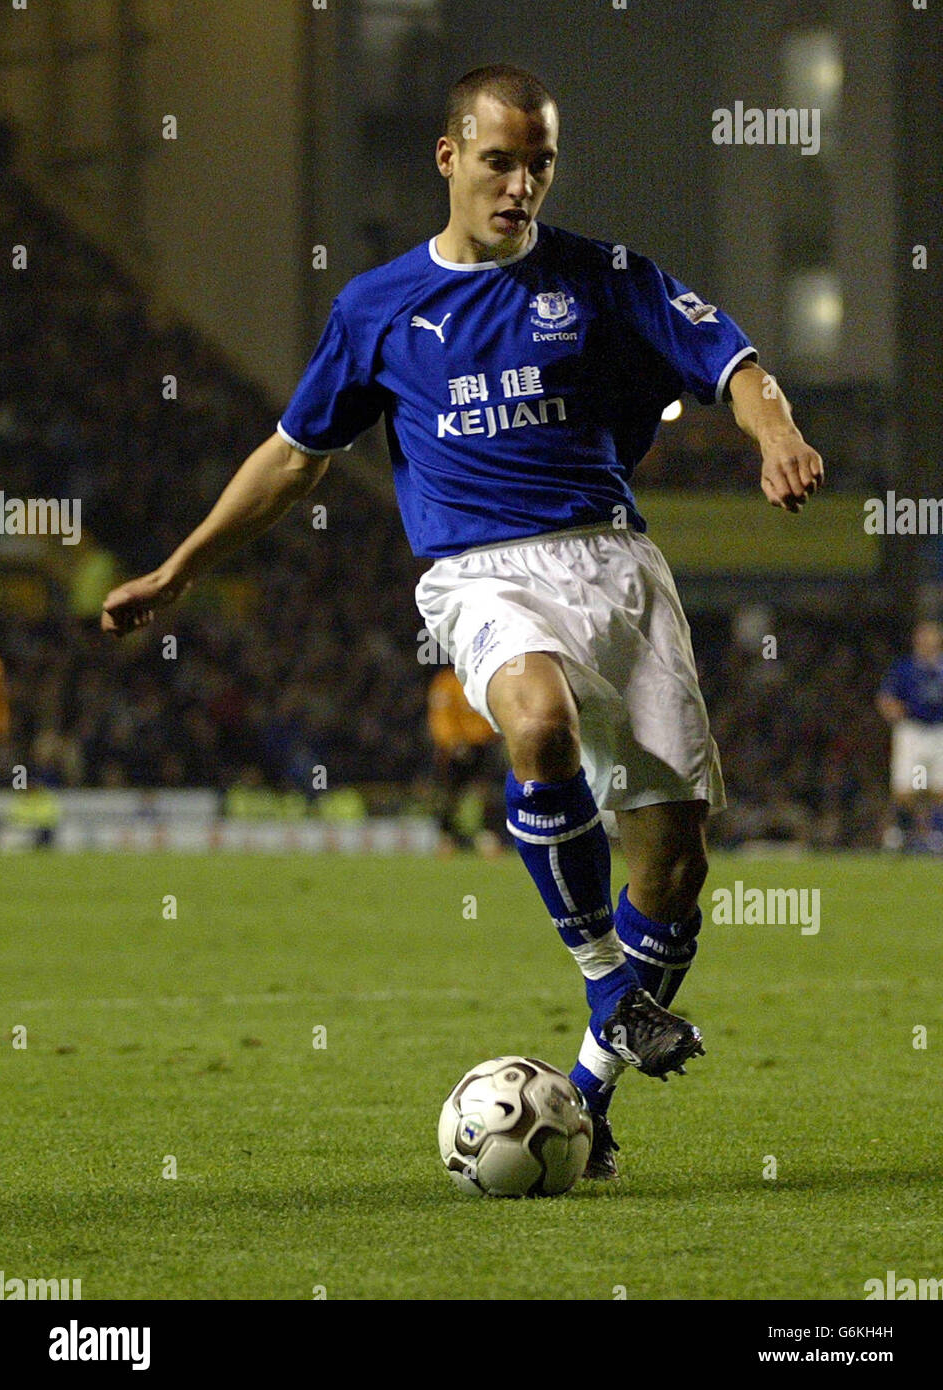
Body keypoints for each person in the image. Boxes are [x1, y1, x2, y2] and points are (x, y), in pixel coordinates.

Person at [101, 64, 824, 1180]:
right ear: (448, 157)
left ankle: (584, 1100)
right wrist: (181, 565)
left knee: (672, 866)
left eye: (538, 162)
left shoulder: (601, 276)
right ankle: (603, 979)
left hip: (617, 567)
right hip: (479, 574)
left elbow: (731, 358)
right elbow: (294, 456)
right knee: (530, 724)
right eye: (498, 160)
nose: (520, 183)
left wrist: (769, 432)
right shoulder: (377, 308)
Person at [876, 620, 943, 852]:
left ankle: (934, 834)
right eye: (923, 636)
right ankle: (898, 832)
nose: (927, 641)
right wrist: (893, 711)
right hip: (912, 730)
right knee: (905, 788)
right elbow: (886, 698)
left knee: (938, 788)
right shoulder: (904, 668)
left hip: (939, 731)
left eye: (931, 636)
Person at [427, 664, 502, 854]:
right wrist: (453, 741)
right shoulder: (447, 681)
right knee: (451, 793)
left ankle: (486, 835)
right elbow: (441, 716)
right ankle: (447, 836)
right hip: (457, 747)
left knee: (486, 793)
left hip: (484, 743)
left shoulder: (485, 674)